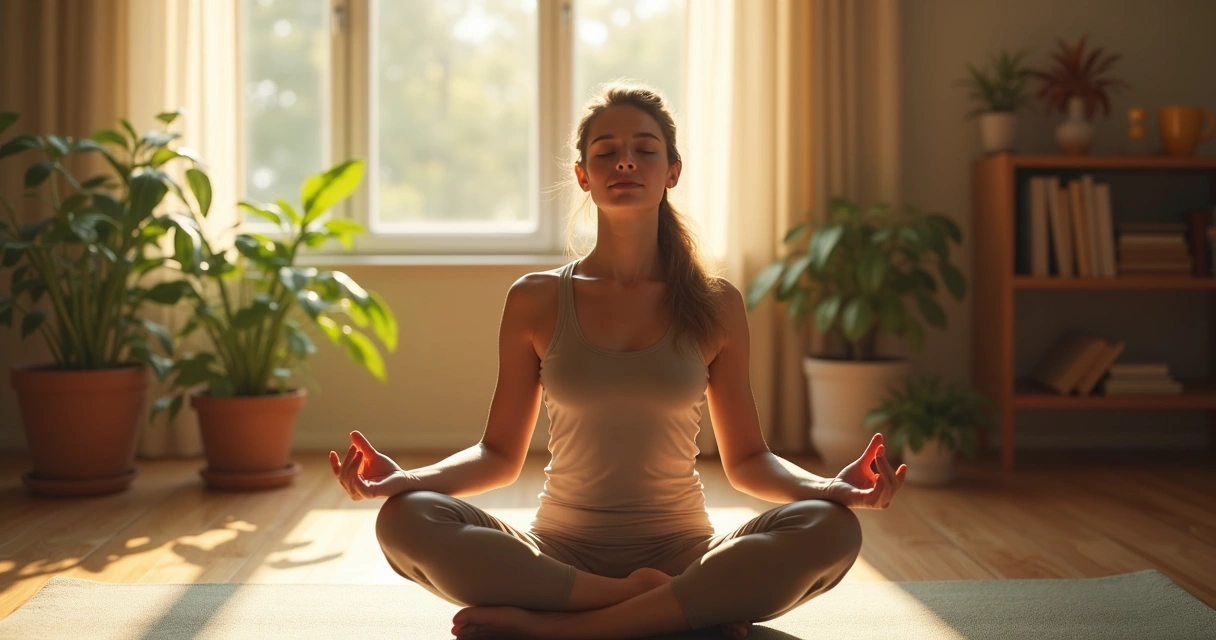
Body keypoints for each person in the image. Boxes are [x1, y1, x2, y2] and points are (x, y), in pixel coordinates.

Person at [329, 81, 907, 639]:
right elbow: (499, 455)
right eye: (606, 152)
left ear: (671, 171)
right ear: (584, 176)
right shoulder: (535, 298)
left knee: (831, 528)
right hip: (559, 555)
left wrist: (830, 488)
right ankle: (662, 607)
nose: (624, 161)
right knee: (404, 519)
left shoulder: (716, 303)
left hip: (687, 554)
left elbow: (750, 460)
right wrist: (407, 480)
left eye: (644, 150)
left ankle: (555, 628)